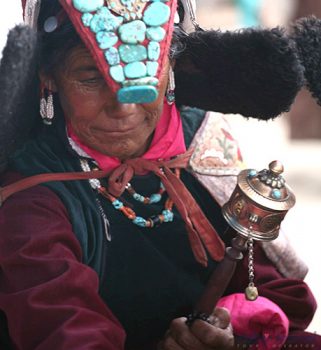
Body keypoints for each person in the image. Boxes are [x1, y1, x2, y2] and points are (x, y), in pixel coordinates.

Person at [0, 0, 320, 349]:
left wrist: (229, 327)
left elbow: (273, 288)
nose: (124, 107)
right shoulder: (31, 194)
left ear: (173, 67)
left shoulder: (198, 141)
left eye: (144, 76)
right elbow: (63, 329)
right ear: (49, 78)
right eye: (91, 78)